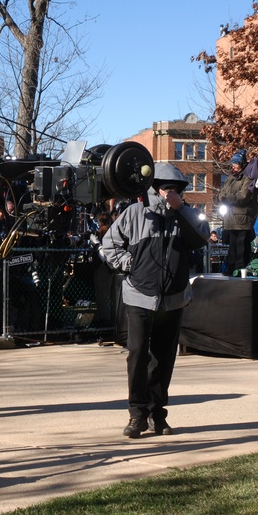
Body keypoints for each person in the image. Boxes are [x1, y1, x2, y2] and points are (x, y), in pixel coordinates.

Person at [101, 163, 205, 439]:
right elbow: (108, 244)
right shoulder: (133, 213)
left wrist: (180, 209)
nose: (170, 193)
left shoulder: (186, 216)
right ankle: (137, 415)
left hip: (174, 300)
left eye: (176, 189)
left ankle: (158, 414)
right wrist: (128, 263)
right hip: (138, 296)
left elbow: (201, 239)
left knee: (163, 359)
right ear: (153, 188)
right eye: (165, 188)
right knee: (137, 356)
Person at [219, 149, 258, 274]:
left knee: (242, 244)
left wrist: (228, 197)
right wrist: (223, 197)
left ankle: (240, 268)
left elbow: (244, 195)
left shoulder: (249, 176)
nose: (233, 167)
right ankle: (231, 268)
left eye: (236, 164)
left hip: (243, 216)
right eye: (233, 164)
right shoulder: (231, 177)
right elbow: (223, 191)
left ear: (241, 164)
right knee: (232, 245)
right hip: (231, 216)